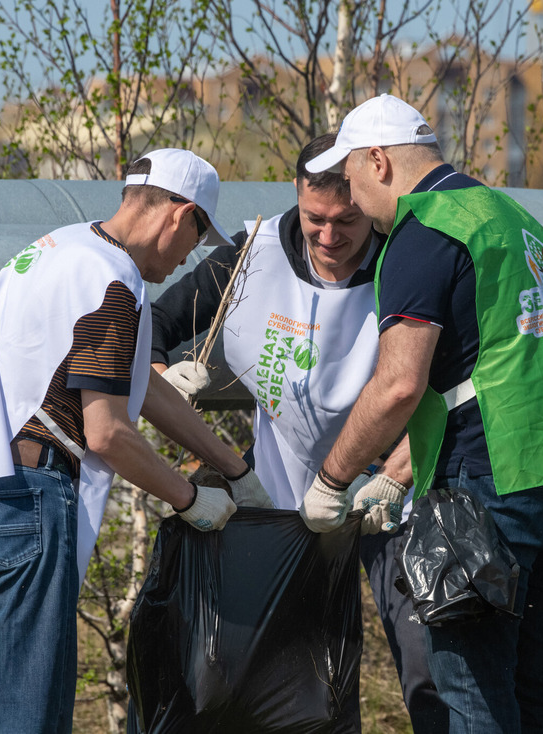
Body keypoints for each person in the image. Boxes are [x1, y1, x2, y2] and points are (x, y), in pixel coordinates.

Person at [0, 148, 272, 733]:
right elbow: (108, 432)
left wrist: (235, 469)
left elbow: (140, 381)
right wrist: (191, 499)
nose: (186, 258)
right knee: (29, 716)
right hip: (20, 498)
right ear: (179, 215)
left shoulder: (61, 247)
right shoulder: (114, 284)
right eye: (196, 237)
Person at [299, 95, 543, 733]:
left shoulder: (423, 233)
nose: (351, 194)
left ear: (379, 161)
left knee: (471, 686)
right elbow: (493, 361)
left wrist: (331, 480)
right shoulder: (503, 213)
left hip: (491, 485)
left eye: (352, 177)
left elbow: (398, 385)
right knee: (535, 674)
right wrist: (399, 470)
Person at [149, 133, 450, 732]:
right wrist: (164, 379)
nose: (331, 237)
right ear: (295, 195)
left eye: (347, 221)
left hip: (390, 491)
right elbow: (156, 321)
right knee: (289, 673)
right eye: (315, 220)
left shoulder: (407, 257)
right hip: (286, 495)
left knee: (429, 665)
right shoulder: (251, 254)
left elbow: (457, 385)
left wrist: (395, 475)